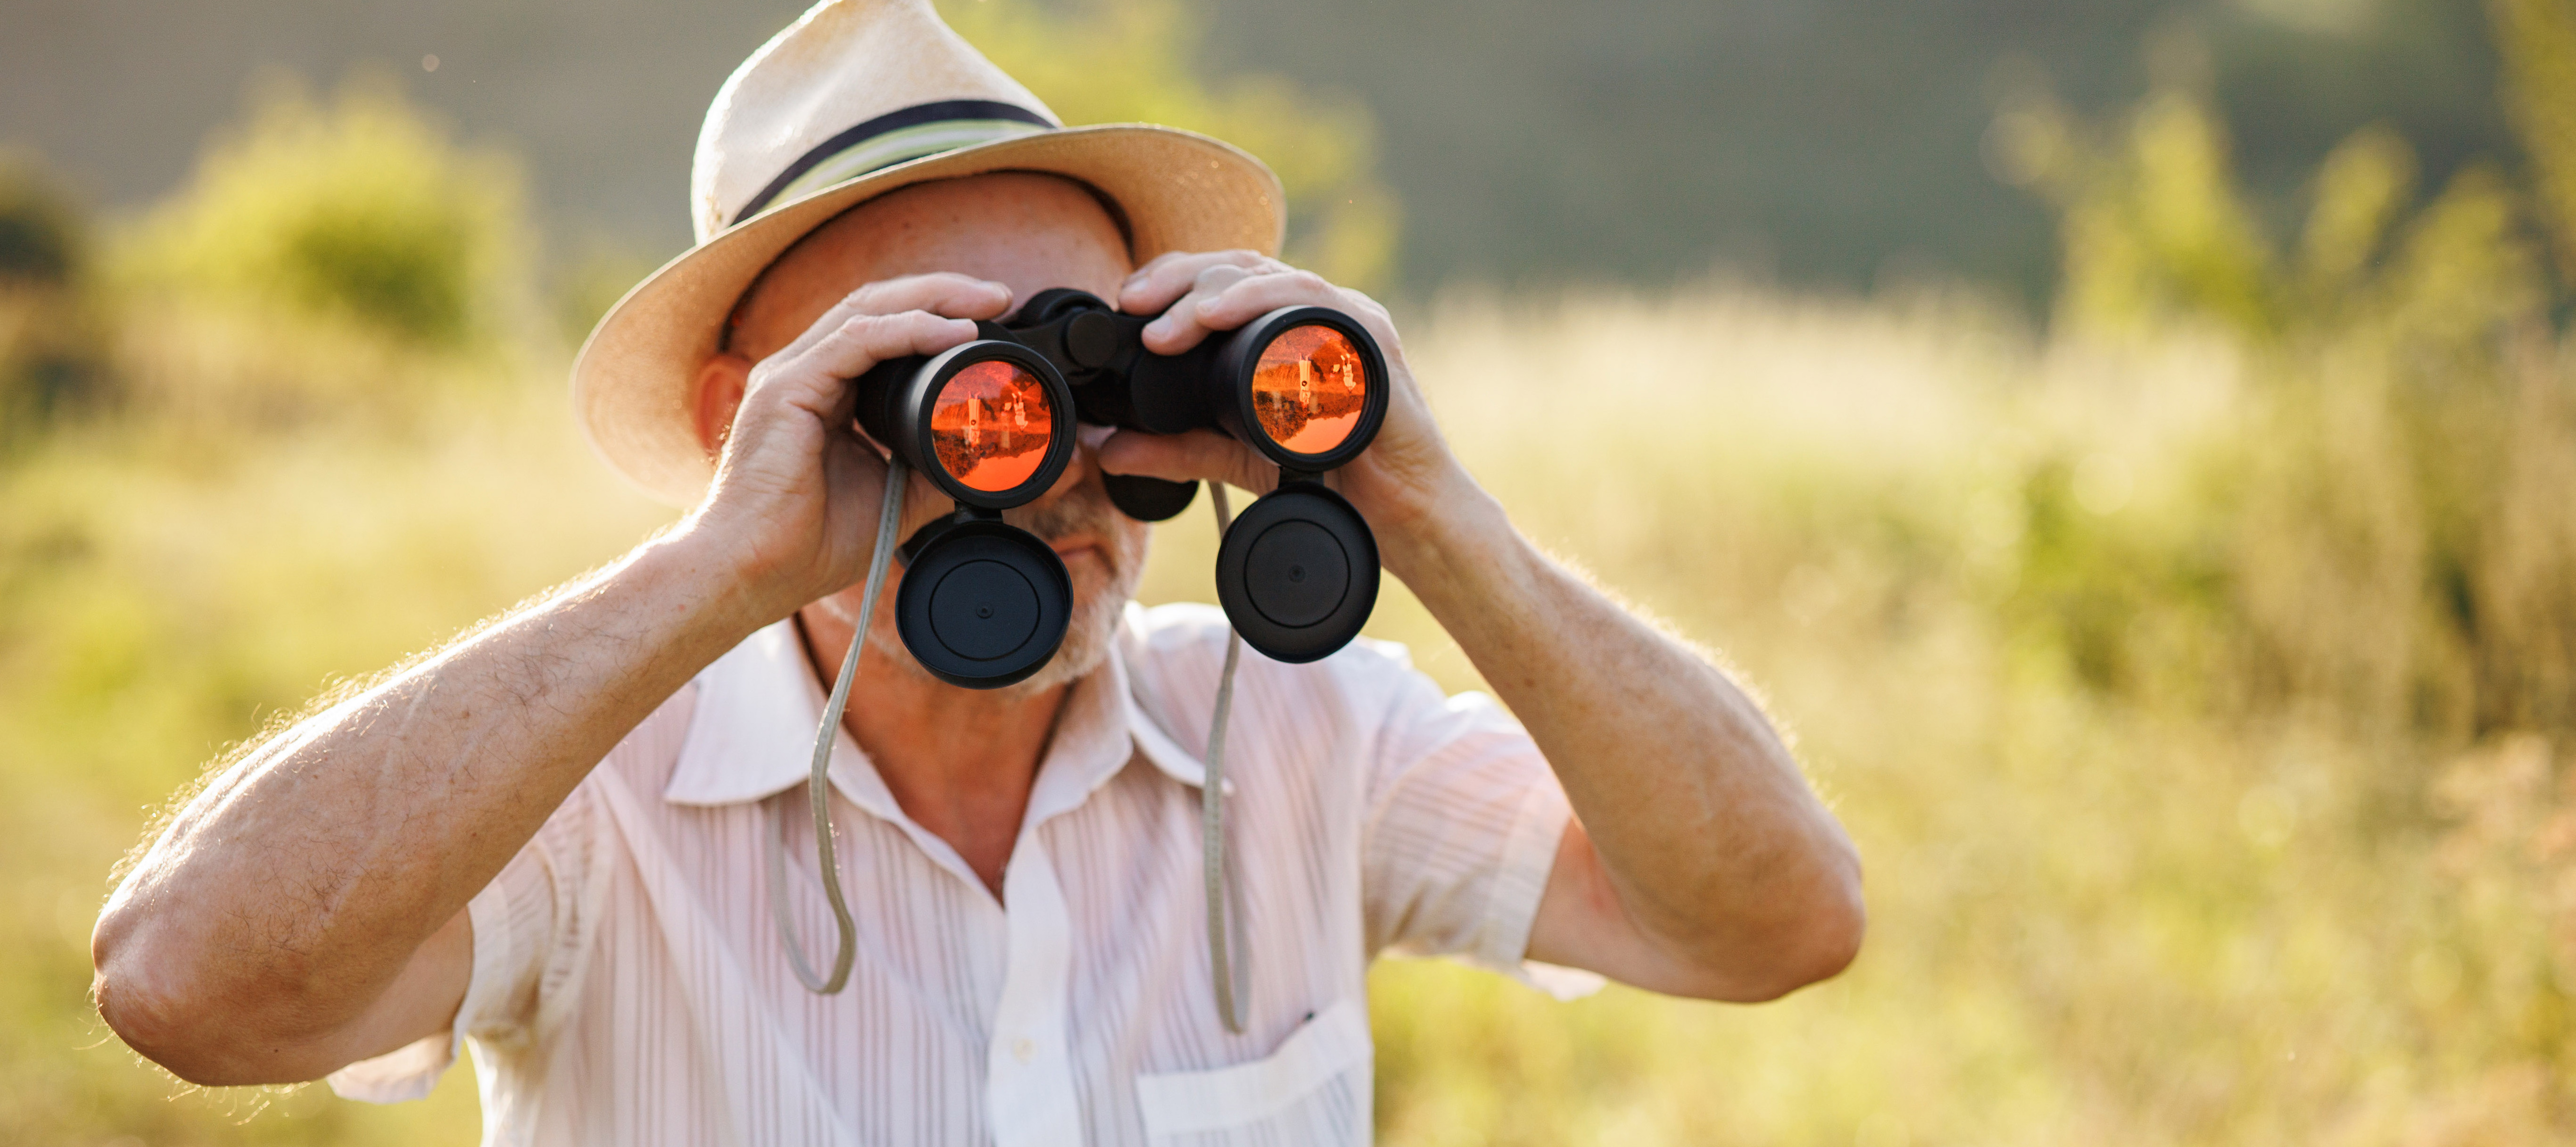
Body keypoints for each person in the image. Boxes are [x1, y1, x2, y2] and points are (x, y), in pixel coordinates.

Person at [89, 1, 1863, 1143]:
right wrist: (722, 566)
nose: (1055, 468)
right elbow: (189, 988)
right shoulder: (591, 806)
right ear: (748, 415)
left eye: (1091, 373)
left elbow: (1776, 926)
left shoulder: (1305, 738)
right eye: (956, 390)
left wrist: (1435, 512)